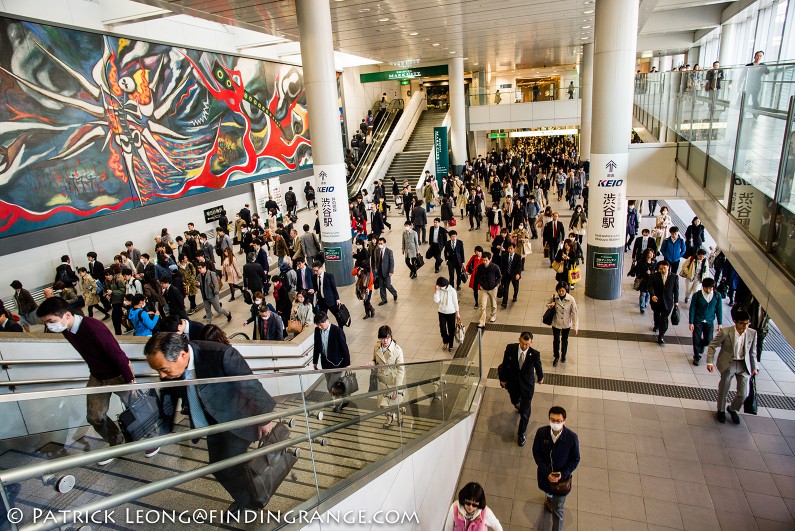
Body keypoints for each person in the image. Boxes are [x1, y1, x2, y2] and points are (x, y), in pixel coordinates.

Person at [144, 332, 275, 512]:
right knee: (218, 467)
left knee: (228, 468)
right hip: (210, 423)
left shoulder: (220, 354)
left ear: (182, 355)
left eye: (164, 369)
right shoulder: (172, 369)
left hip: (236, 419)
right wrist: (162, 429)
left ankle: (252, 503)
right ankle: (248, 499)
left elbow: (250, 385)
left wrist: (264, 418)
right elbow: (169, 395)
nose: (161, 375)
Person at [36, 297, 156, 463]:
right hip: (97, 375)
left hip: (118, 374)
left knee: (137, 406)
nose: (49, 326)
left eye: (51, 321)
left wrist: (130, 380)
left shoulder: (93, 327)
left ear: (67, 315)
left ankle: (153, 437)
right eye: (46, 322)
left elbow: (116, 353)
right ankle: (116, 441)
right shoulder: (66, 330)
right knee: (94, 416)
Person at [532, 406, 580, 531]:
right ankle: (549, 498)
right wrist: (547, 473)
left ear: (564, 421)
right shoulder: (541, 433)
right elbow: (536, 453)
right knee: (548, 492)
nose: (555, 423)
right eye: (552, 420)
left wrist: (563, 474)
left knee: (558, 509)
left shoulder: (572, 438)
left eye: (558, 421)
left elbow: (575, 459)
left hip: (561, 482)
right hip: (545, 477)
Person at [707, 310, 758, 424]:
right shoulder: (725, 332)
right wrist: (709, 362)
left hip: (743, 365)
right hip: (728, 364)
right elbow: (712, 346)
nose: (745, 326)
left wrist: (754, 367)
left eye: (747, 323)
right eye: (742, 323)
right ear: (735, 322)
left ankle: (732, 409)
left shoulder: (752, 333)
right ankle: (720, 410)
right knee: (724, 389)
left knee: (743, 394)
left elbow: (752, 352)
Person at [498, 331, 544, 446]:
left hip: (527, 386)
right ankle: (518, 404)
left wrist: (541, 377)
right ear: (519, 340)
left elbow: (538, 366)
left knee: (525, 412)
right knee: (514, 400)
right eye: (523, 343)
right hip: (513, 383)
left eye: (527, 344)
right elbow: (504, 364)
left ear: (531, 343)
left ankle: (521, 433)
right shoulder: (511, 348)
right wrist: (503, 379)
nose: (524, 346)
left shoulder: (534, 354)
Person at [371, 325, 406, 428]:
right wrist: (370, 363)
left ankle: (399, 413)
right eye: (382, 338)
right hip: (381, 381)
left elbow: (400, 370)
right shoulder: (376, 346)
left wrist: (397, 388)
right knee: (383, 405)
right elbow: (375, 361)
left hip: (392, 382)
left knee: (395, 403)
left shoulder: (397, 350)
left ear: (391, 336)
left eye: (387, 338)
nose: (385, 341)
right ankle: (389, 417)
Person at [312, 312, 351, 393]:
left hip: (337, 363)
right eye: (317, 325)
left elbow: (344, 348)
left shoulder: (337, 331)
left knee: (332, 386)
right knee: (329, 385)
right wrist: (315, 361)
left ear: (327, 321)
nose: (319, 327)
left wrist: (347, 364)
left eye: (320, 324)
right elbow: (316, 346)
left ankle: (338, 403)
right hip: (325, 363)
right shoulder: (317, 331)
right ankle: (340, 401)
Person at [688, 277, 722, 366]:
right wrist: (691, 322)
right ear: (703, 287)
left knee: (709, 340)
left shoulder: (717, 296)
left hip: (709, 321)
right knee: (696, 339)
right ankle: (696, 356)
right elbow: (692, 308)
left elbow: (719, 309)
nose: (709, 290)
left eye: (711, 288)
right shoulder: (697, 295)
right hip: (697, 320)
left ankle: (701, 345)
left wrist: (720, 323)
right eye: (707, 288)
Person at [547, 282, 579, 366]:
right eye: (559, 291)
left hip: (566, 323)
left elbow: (574, 313)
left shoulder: (571, 299)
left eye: (563, 291)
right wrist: (551, 305)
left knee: (564, 340)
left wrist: (575, 326)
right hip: (556, 322)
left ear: (566, 290)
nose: (561, 293)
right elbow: (547, 304)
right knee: (556, 340)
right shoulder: (554, 297)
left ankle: (563, 355)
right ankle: (556, 356)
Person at [649, 261, 677, 345]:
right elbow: (650, 286)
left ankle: (661, 336)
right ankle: (656, 324)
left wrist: (676, 302)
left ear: (668, 267)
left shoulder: (674, 277)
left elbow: (676, 290)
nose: (663, 270)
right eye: (661, 269)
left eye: (664, 268)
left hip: (668, 302)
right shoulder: (654, 276)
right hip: (657, 301)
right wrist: (652, 295)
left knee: (664, 319)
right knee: (657, 315)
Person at [312, 261, 344, 327]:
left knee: (338, 316)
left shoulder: (329, 276)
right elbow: (316, 288)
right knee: (322, 318)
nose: (315, 272)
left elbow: (334, 288)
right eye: (314, 271)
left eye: (316, 270)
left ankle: (340, 329)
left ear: (321, 268)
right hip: (321, 301)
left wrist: (337, 299)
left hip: (331, 300)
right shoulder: (314, 277)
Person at [474, 252, 502, 328]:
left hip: (493, 288)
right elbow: (477, 277)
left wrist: (496, 284)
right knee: (482, 305)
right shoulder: (480, 267)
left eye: (486, 260)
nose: (484, 262)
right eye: (483, 260)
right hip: (483, 289)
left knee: (493, 304)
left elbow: (499, 276)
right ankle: (482, 321)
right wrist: (481, 283)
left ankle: (493, 315)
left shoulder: (495, 267)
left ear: (490, 259)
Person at [660, 226, 686, 303]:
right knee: (666, 272)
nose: (674, 235)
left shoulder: (681, 241)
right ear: (670, 233)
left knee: (674, 273)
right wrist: (666, 255)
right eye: (673, 234)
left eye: (675, 233)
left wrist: (679, 256)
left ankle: (673, 285)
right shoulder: (667, 240)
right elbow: (662, 249)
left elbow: (684, 250)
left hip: (676, 260)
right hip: (668, 259)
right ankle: (665, 283)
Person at [434, 277, 460, 352]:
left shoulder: (452, 291)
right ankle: (445, 341)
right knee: (443, 329)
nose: (439, 287)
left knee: (451, 329)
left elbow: (455, 302)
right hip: (441, 312)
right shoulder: (439, 289)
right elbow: (436, 301)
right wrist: (436, 291)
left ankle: (450, 345)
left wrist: (457, 313)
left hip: (451, 312)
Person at [375, 237, 399, 305]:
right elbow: (377, 261)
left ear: (384, 243)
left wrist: (391, 271)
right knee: (381, 286)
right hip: (379, 272)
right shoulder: (377, 251)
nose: (380, 245)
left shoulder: (389, 251)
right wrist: (376, 269)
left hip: (386, 272)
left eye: (381, 243)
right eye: (379, 244)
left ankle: (394, 293)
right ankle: (384, 300)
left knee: (388, 285)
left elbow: (392, 262)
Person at [635, 248, 658, 315]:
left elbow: (656, 270)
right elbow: (638, 270)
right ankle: (642, 307)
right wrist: (644, 273)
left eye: (652, 253)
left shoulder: (654, 261)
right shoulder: (641, 262)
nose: (651, 255)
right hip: (643, 280)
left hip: (651, 281)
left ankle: (645, 303)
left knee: (648, 294)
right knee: (643, 294)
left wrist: (652, 272)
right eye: (649, 253)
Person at [499, 242, 522, 308]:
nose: (510, 250)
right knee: (505, 289)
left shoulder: (518, 257)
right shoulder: (504, 256)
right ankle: (504, 302)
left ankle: (515, 296)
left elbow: (519, 266)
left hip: (514, 275)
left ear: (514, 249)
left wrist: (518, 274)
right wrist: (501, 273)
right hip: (506, 274)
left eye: (511, 248)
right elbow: (502, 265)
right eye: (509, 248)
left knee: (516, 287)